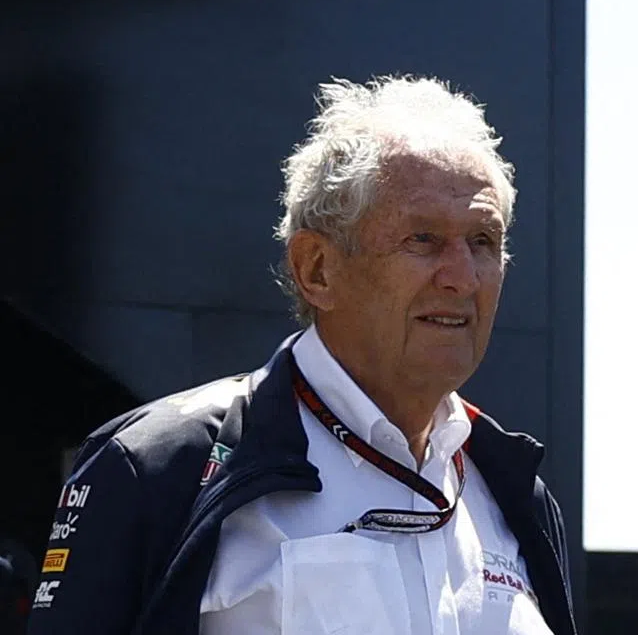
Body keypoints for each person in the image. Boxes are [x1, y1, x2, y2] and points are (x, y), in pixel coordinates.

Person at [25, 75, 577, 634]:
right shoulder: (160, 466)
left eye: (483, 241)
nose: (462, 277)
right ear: (316, 269)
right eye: (423, 239)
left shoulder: (517, 499)